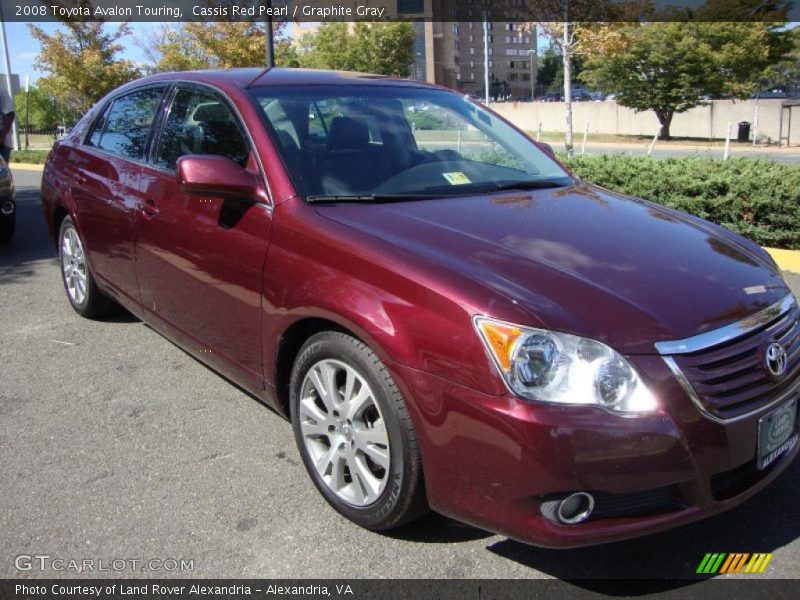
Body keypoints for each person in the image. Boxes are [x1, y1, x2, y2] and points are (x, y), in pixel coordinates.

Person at [0, 85, 15, 163]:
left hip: (2, 146)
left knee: (2, 174)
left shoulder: (1, 90)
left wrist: (1, 137)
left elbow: (10, 114)